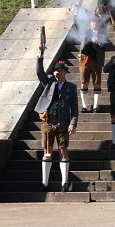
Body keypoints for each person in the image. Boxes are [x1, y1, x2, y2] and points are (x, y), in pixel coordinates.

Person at [34, 48, 78, 192]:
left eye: (60, 70)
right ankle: (44, 183)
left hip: (63, 123)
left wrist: (73, 123)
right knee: (47, 151)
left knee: (63, 151)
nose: (57, 72)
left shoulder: (71, 87)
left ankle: (65, 183)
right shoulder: (48, 83)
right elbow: (40, 73)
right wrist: (40, 57)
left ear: (65, 71)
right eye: (55, 70)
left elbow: (75, 108)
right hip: (48, 122)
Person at [79, 13, 111, 113]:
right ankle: (84, 106)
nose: (95, 24)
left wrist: (99, 42)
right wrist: (91, 41)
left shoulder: (102, 34)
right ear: (90, 24)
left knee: (97, 83)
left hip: (97, 61)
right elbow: (83, 48)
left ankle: (95, 106)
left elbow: (109, 45)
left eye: (96, 22)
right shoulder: (86, 33)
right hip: (85, 60)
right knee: (84, 82)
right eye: (93, 22)